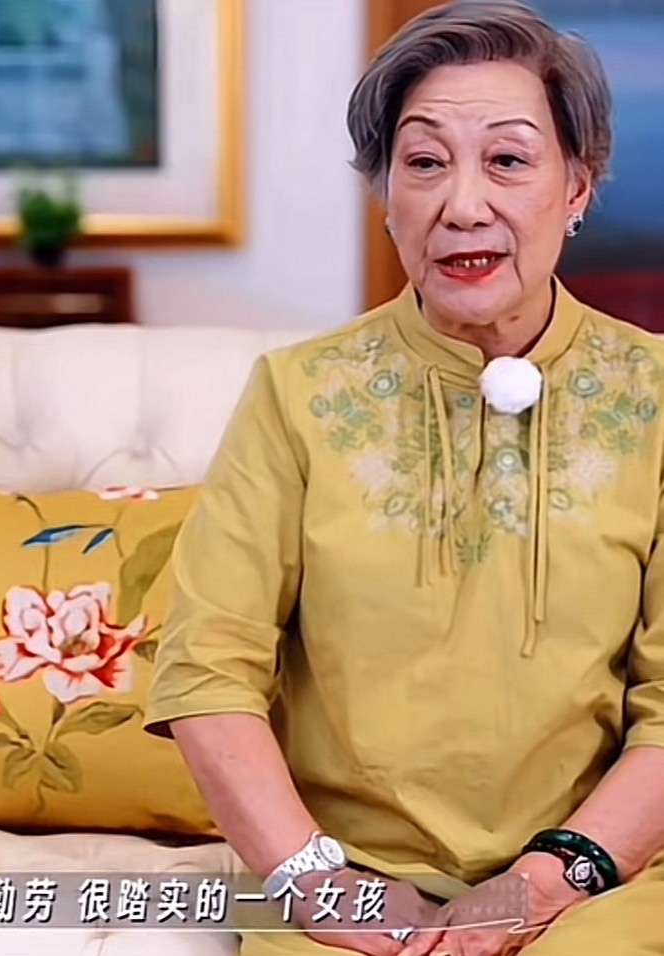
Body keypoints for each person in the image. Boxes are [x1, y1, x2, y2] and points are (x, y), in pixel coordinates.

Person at [143, 3, 664, 955]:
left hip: (597, 877)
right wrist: (316, 883)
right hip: (344, 875)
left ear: (577, 187)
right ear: (384, 192)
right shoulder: (298, 394)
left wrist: (546, 881)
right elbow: (208, 669)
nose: (462, 205)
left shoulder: (655, 395)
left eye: (506, 160)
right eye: (423, 162)